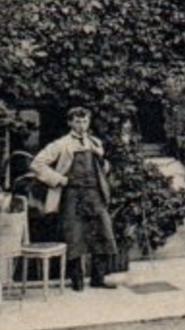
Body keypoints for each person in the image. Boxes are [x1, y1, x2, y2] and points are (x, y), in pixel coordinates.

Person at [30, 107, 119, 291]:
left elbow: (103, 169)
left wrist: (103, 162)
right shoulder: (61, 144)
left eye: (85, 121)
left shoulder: (95, 143)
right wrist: (60, 179)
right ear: (70, 122)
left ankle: (98, 278)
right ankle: (76, 281)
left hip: (95, 194)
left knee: (103, 233)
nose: (81, 125)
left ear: (89, 122)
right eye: (77, 121)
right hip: (72, 195)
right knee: (74, 236)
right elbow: (36, 164)